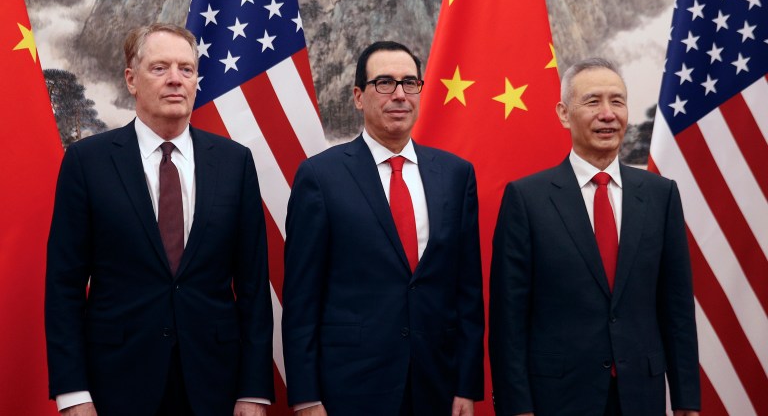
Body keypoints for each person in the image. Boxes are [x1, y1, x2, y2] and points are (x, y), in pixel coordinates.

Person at [45, 23, 274, 416]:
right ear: (131, 80)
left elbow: (253, 286)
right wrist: (73, 394)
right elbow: (63, 286)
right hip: (115, 385)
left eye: (186, 69)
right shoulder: (87, 163)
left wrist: (253, 390)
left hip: (213, 385)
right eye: (160, 68)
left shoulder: (235, 163)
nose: (175, 80)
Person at [488, 58, 700, 416]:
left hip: (641, 396)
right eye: (593, 101)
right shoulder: (527, 199)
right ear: (564, 113)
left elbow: (676, 307)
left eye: (617, 101)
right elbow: (509, 319)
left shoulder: (660, 195)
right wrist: (516, 406)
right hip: (558, 398)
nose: (608, 114)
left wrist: (686, 400)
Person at [282, 41, 484, 416]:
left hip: (436, 387)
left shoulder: (456, 175)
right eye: (385, 83)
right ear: (359, 97)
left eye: (410, 83)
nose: (400, 95)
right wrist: (307, 398)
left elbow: (467, 292)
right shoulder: (320, 178)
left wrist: (466, 385)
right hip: (351, 389)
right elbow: (300, 300)